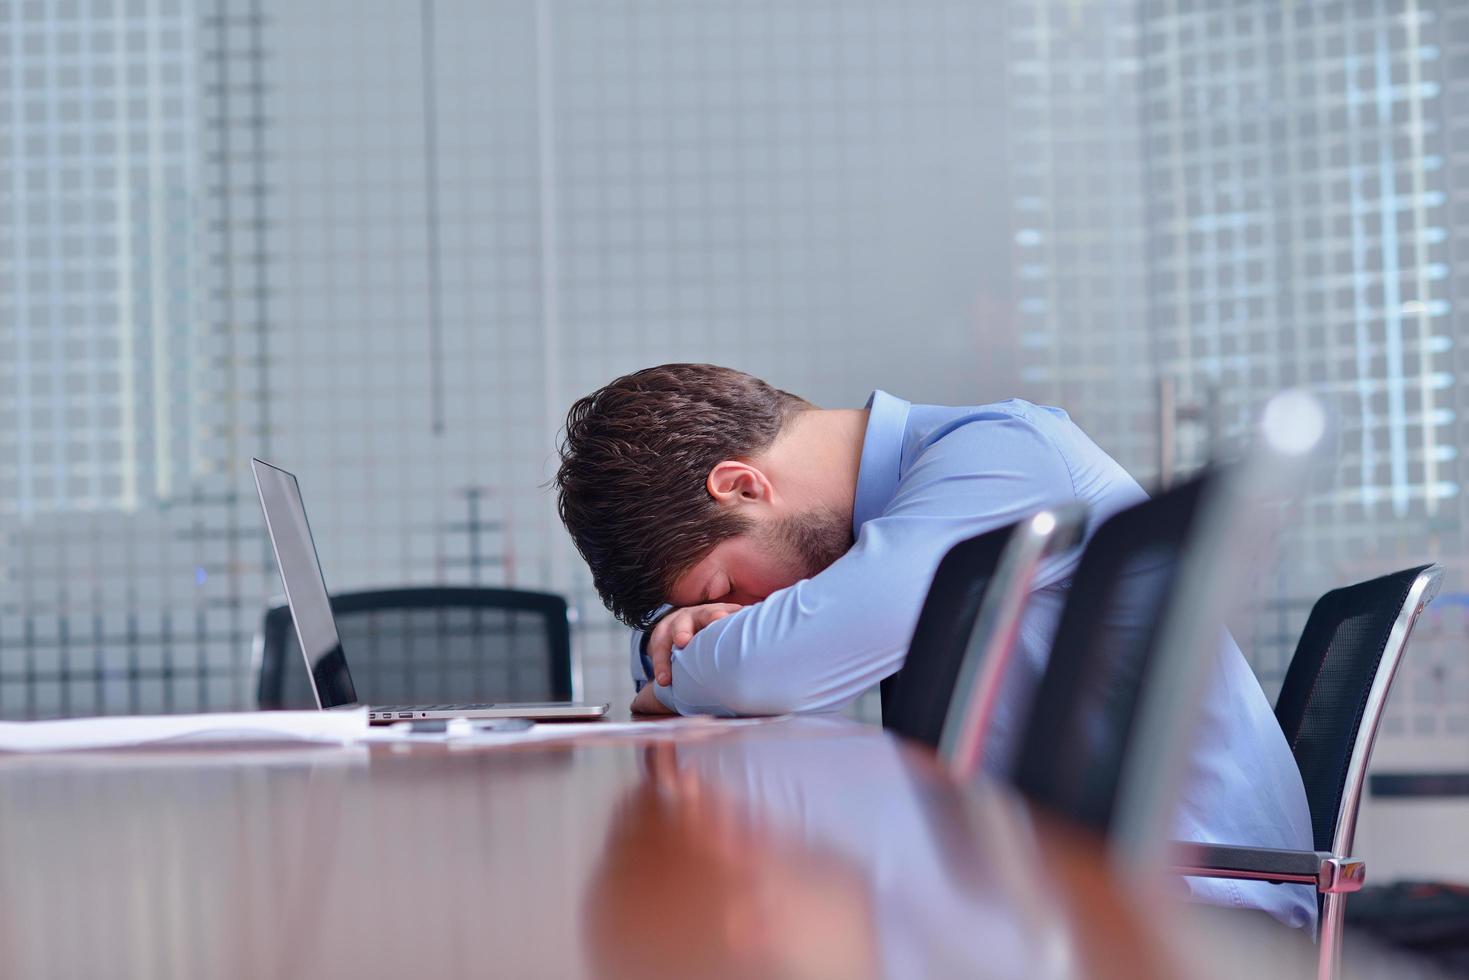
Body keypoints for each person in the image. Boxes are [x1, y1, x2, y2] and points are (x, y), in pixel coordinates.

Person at [554, 362, 1316, 929]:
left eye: (725, 591)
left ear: (742, 486)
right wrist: (667, 636)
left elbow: (767, 670)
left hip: (1188, 909)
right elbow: (731, 660)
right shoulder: (904, 509)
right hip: (1066, 888)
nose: (745, 613)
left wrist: (685, 665)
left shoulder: (1001, 453)